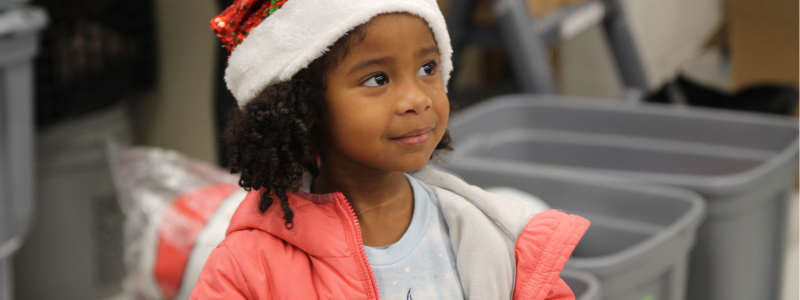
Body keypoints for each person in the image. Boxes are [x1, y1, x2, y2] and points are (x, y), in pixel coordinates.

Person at [192, 0, 589, 299]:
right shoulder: (248, 269)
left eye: (427, 68)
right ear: (305, 107)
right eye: (377, 79)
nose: (417, 98)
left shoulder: (492, 233)